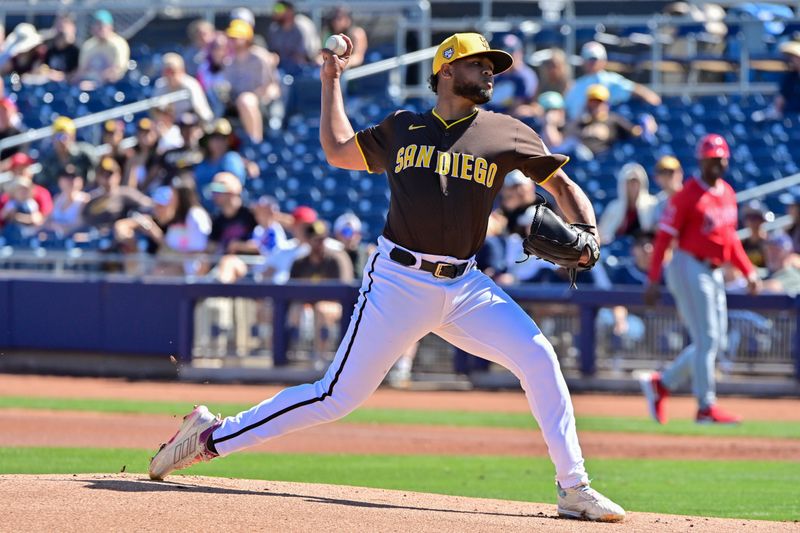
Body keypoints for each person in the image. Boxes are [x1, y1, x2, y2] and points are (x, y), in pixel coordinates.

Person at [149, 31, 626, 523]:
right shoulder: (402, 127)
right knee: (336, 396)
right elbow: (336, 150)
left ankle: (574, 487)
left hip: (465, 285)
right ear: (445, 70)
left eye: (492, 65)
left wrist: (588, 232)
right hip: (399, 281)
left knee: (539, 358)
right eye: (478, 63)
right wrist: (332, 80)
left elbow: (563, 186)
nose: (489, 71)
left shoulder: (507, 132)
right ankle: (210, 437)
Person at [640, 134, 761, 425]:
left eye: (720, 159)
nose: (716, 164)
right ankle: (705, 407)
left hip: (714, 269)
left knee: (713, 341)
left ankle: (662, 383)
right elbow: (664, 238)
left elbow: (730, 239)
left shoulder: (728, 193)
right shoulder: (687, 195)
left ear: (726, 160)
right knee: (707, 339)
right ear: (701, 161)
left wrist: (748, 271)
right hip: (688, 265)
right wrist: (653, 277)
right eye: (711, 160)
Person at [564, 41, 661, 120]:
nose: (591, 63)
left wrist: (653, 115)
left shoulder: (611, 80)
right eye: (588, 59)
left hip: (604, 132)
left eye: (595, 59)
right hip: (577, 131)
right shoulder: (575, 86)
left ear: (603, 61)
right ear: (583, 61)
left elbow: (646, 94)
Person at [222, 20, 282, 142]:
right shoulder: (229, 61)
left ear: (246, 38)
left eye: (236, 37)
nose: (232, 41)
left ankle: (255, 142)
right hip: (236, 103)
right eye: (231, 38)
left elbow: (267, 86)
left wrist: (248, 97)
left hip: (262, 102)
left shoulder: (259, 57)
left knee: (246, 100)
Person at [568, 84, 652, 158]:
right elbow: (568, 137)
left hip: (603, 158)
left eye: (599, 102)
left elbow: (634, 132)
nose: (595, 105)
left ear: (606, 103)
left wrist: (647, 127)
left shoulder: (613, 119)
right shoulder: (581, 121)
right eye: (592, 102)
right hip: (581, 158)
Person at [598, 163, 658, 245]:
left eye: (636, 182)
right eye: (629, 182)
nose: (633, 185)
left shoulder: (653, 205)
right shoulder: (613, 207)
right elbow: (602, 234)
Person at [35, 116, 96, 192]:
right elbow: (42, 183)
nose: (62, 140)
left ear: (73, 137)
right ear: (53, 138)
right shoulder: (48, 160)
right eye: (58, 136)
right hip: (58, 200)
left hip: (86, 195)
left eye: (66, 136)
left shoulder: (85, 154)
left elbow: (98, 172)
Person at [153, 53, 214, 124]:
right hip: (169, 127)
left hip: (190, 126)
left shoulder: (190, 85)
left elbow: (203, 113)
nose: (170, 76)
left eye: (172, 71)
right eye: (167, 71)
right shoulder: (160, 85)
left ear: (181, 71)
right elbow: (155, 113)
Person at [487, 34, 538, 118]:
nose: (508, 57)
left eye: (511, 53)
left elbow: (516, 108)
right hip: (491, 116)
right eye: (505, 53)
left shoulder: (523, 76)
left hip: (508, 121)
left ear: (520, 53)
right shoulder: (498, 74)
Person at [75, 10, 130, 84]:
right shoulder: (88, 45)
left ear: (110, 27)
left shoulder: (118, 44)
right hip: (88, 83)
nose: (99, 28)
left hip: (112, 86)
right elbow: (82, 70)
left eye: (102, 26)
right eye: (96, 25)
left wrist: (96, 82)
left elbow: (117, 71)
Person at [266, 1, 321, 73]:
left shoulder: (303, 26)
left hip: (304, 68)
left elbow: (309, 54)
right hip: (281, 68)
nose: (275, 11)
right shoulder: (274, 29)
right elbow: (273, 52)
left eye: (279, 8)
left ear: (289, 11)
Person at [43, 14, 80, 81]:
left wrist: (62, 76)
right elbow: (43, 67)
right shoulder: (49, 48)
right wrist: (49, 73)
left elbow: (77, 73)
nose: (60, 29)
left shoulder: (76, 51)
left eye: (63, 26)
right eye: (58, 26)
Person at [651, 155, 683, 223]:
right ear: (656, 178)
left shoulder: (689, 197)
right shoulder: (658, 201)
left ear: (680, 173)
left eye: (671, 172)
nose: (667, 177)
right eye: (663, 173)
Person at [775, 41, 800, 116]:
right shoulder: (789, 77)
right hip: (789, 118)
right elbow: (780, 100)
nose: (792, 60)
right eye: (791, 57)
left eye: (795, 57)